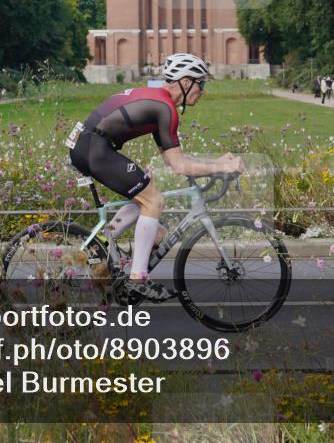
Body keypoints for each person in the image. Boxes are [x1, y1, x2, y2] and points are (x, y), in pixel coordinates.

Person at [67, 53, 244, 303]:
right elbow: (180, 166)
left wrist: (215, 163)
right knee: (154, 201)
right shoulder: (165, 108)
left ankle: (106, 240)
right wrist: (223, 168)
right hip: (94, 148)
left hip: (88, 145)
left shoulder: (158, 103)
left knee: (150, 205)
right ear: (185, 82)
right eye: (201, 83)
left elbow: (173, 159)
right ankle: (138, 279)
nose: (202, 91)